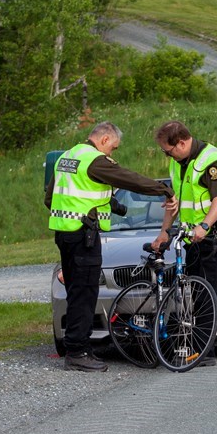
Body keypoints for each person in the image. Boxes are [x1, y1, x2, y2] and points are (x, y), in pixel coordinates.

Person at [46, 121, 176, 372]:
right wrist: (163, 189)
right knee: (85, 294)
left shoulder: (67, 157)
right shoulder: (94, 160)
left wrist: (109, 204)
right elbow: (129, 179)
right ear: (104, 140)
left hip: (65, 233)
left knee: (75, 292)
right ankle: (78, 353)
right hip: (84, 237)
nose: (111, 153)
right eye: (113, 148)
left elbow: (51, 197)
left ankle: (77, 347)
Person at [152, 121, 217, 367]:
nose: (165, 155)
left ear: (181, 143)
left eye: (167, 150)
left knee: (207, 289)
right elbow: (174, 201)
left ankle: (204, 351)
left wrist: (204, 226)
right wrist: (164, 233)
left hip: (214, 231)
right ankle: (187, 344)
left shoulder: (211, 161)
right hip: (192, 234)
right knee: (191, 286)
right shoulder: (178, 162)